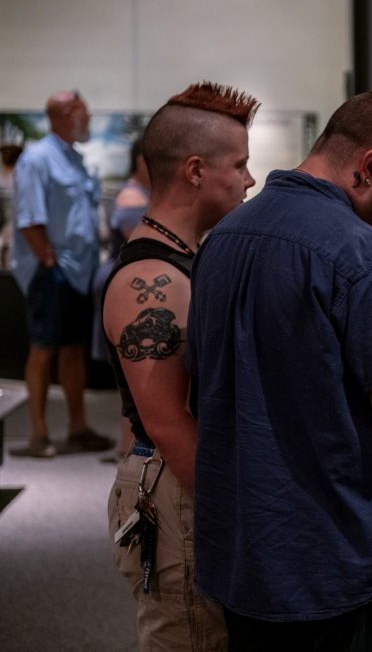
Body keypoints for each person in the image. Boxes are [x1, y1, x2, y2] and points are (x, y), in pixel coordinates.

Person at [188, 84, 372, 650]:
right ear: (370, 166)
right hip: (350, 569)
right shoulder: (367, 258)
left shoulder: (221, 243)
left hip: (247, 565)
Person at [103, 81, 259, 650]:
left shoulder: (182, 261)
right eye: (239, 164)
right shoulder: (156, 280)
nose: (248, 178)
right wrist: (238, 516)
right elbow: (167, 423)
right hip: (179, 491)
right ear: (195, 170)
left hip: (177, 484)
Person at [10, 90, 111, 458]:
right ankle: (38, 434)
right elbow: (29, 220)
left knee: (73, 349)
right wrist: (48, 261)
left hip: (79, 271)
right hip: (51, 270)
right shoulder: (37, 159)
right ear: (67, 113)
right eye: (85, 112)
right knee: (43, 349)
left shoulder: (74, 159)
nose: (89, 120)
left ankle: (78, 427)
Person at [92, 136, 151, 461]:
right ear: (143, 160)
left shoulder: (137, 193)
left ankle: (126, 448)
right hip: (126, 283)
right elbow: (142, 245)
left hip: (126, 281)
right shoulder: (132, 196)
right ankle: (128, 449)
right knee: (133, 374)